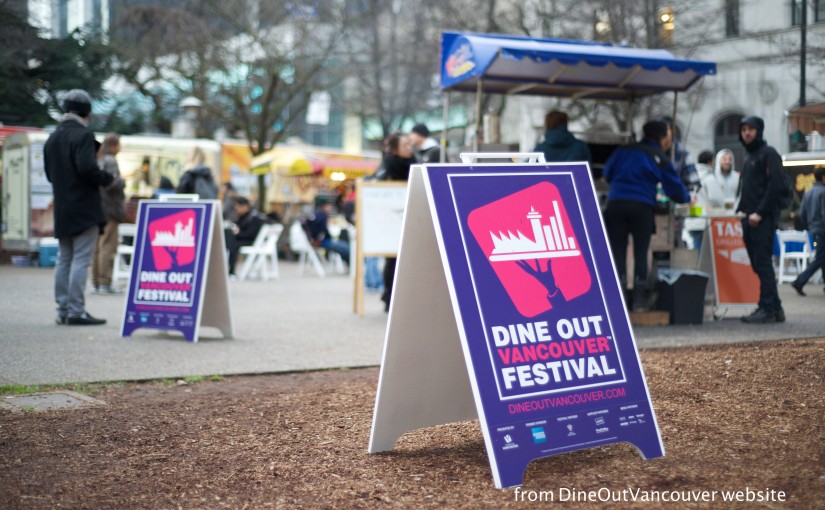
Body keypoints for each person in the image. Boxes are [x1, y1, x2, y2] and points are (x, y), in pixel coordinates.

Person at [603, 120, 692, 310]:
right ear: (662, 137)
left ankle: (616, 299)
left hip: (616, 203)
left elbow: (607, 172)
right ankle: (639, 300)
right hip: (642, 206)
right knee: (641, 252)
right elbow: (674, 188)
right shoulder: (658, 156)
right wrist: (686, 197)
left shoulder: (624, 150)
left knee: (617, 250)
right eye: (669, 134)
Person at [44, 90, 114, 326]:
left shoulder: (52, 138)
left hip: (63, 206)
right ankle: (76, 311)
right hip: (84, 206)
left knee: (64, 258)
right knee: (81, 259)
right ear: (87, 113)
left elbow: (49, 174)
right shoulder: (83, 136)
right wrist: (105, 177)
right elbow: (86, 168)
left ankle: (62, 309)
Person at [736, 115, 785, 323]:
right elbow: (747, 189)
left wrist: (760, 213)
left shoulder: (769, 154)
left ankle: (766, 307)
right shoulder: (749, 157)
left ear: (759, 131)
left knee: (763, 263)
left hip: (762, 219)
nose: (747, 133)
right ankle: (775, 308)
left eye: (751, 129)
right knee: (758, 264)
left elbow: (775, 186)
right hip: (748, 218)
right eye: (743, 129)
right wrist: (741, 210)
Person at [379, 132, 415, 311]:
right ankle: (389, 297)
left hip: (411, 217)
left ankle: (405, 298)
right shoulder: (388, 165)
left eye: (410, 145)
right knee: (392, 260)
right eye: (405, 146)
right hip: (392, 219)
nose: (410, 148)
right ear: (395, 149)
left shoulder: (416, 164)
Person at [92, 133, 126, 295]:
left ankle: (96, 282)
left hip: (98, 209)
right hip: (110, 210)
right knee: (108, 246)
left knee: (97, 247)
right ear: (114, 145)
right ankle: (105, 281)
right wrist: (122, 181)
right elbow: (111, 183)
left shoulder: (98, 159)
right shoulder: (111, 161)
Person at [791, 167, 825, 296]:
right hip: (822, 230)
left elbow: (802, 213)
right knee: (820, 258)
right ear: (823, 178)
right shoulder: (823, 192)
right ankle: (800, 281)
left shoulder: (808, 192)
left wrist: (809, 226)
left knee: (822, 257)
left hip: (814, 230)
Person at [226, 196, 271, 278]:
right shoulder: (244, 216)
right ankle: (229, 271)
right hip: (248, 240)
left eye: (238, 207)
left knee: (232, 244)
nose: (237, 210)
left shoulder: (254, 218)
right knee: (229, 240)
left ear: (244, 206)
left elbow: (249, 234)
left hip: (253, 242)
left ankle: (231, 272)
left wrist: (238, 232)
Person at [684, 150, 715, 251]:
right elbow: (716, 199)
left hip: (691, 217)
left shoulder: (690, 174)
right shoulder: (709, 178)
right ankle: (696, 266)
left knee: (695, 246)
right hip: (704, 220)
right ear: (710, 162)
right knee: (700, 250)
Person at [306, 199, 350, 268]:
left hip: (315, 240)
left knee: (343, 246)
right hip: (321, 242)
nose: (330, 207)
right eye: (329, 205)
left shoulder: (315, 214)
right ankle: (351, 265)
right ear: (323, 206)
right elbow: (323, 231)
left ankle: (349, 265)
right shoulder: (322, 215)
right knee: (346, 247)